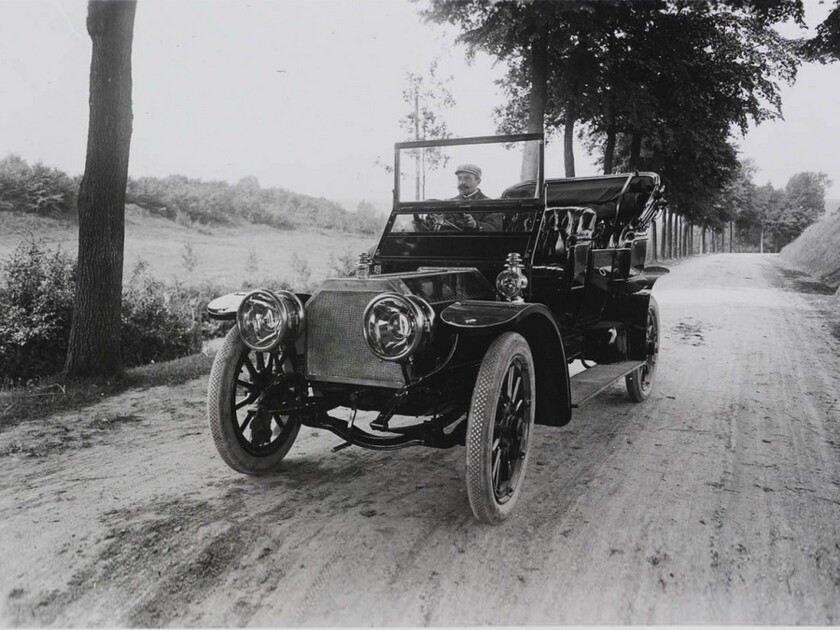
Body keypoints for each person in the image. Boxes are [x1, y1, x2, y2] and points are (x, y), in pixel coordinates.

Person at [414, 164, 503, 231]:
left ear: (478, 181)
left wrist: (475, 224)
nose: (462, 182)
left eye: (467, 178)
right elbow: (433, 224)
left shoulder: (490, 204)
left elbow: (495, 228)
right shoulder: (447, 203)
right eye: (459, 178)